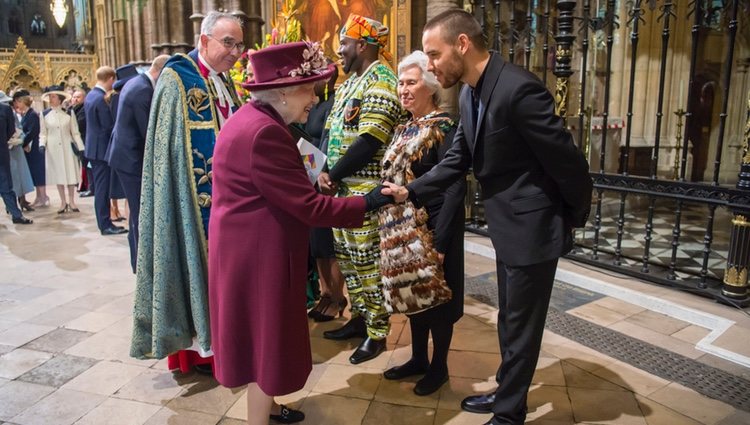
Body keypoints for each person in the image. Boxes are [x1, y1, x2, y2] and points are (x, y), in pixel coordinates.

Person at [382, 10, 593, 425]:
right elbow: (458, 158)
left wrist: (571, 219)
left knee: (521, 324)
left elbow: (568, 163)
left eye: (434, 54)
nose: (430, 64)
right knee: (508, 319)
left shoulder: (518, 89)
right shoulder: (469, 93)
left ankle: (510, 412)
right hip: (508, 227)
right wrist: (411, 190)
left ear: (462, 44)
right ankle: (506, 391)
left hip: (533, 228)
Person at [208, 40, 393, 425]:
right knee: (265, 342)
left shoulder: (254, 120)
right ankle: (260, 419)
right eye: (308, 89)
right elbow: (309, 208)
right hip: (260, 256)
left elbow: (281, 183)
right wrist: (369, 202)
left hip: (246, 249)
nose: (314, 98)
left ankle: (271, 407)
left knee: (263, 335)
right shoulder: (266, 133)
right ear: (284, 91)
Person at [130, 11, 243, 376]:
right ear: (204, 39)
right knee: (197, 268)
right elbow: (167, 157)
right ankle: (200, 353)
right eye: (228, 43)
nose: (235, 52)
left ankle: (225, 343)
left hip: (231, 203)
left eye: (239, 45)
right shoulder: (177, 79)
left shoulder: (225, 81)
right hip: (196, 204)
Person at [379, 50, 466, 396]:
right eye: (400, 82)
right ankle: (418, 358)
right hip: (402, 230)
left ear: (429, 86)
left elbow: (455, 186)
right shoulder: (405, 128)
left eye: (411, 82)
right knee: (413, 295)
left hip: (433, 230)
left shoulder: (444, 127)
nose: (403, 89)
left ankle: (440, 367)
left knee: (439, 303)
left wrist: (441, 244)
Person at [318, 14, 403, 364]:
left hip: (366, 192)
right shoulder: (349, 83)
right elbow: (334, 135)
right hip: (342, 192)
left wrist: (333, 175)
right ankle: (359, 318)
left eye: (344, 44)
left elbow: (369, 140)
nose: (339, 50)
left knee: (369, 266)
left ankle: (377, 332)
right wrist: (325, 170)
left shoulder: (381, 81)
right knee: (350, 265)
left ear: (362, 45)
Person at [108, 56, 170, 273]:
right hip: (131, 159)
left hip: (125, 155)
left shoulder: (137, 83)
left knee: (137, 212)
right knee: (140, 212)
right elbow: (149, 134)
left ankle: (139, 259)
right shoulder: (142, 91)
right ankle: (141, 265)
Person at [305, 62, 348, 322]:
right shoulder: (313, 104)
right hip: (311, 171)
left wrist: (325, 172)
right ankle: (324, 293)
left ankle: (337, 295)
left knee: (330, 243)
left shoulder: (336, 102)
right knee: (317, 241)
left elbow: (332, 139)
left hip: (327, 174)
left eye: (319, 78)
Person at [84, 66, 127, 235]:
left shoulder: (91, 96)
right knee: (102, 189)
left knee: (101, 187)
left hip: (94, 148)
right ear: (110, 79)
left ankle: (105, 221)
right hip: (101, 150)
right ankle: (105, 224)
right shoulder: (100, 99)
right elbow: (107, 126)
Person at [39, 86, 85, 214]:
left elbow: (75, 132)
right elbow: (43, 133)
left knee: (70, 173)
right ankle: (62, 201)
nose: (50, 99)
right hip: (53, 148)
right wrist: (42, 145)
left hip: (67, 146)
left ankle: (72, 201)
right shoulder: (44, 114)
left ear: (60, 99)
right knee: (58, 175)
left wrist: (81, 147)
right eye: (50, 96)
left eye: (53, 96)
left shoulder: (69, 113)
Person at [0, 92, 32, 225]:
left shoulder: (5, 109)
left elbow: (10, 131)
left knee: (6, 186)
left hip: (1, 154)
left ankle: (16, 215)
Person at [13, 90, 47, 208]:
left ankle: (43, 197)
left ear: (23, 102)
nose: (17, 105)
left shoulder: (32, 114)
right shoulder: (26, 114)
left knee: (38, 172)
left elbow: (32, 132)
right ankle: (39, 196)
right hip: (29, 147)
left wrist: (22, 142)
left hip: (35, 148)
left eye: (18, 102)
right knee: (35, 172)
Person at [70, 88, 93, 197]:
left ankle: (90, 187)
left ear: (84, 98)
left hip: (85, 140)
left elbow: (80, 124)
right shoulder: (73, 109)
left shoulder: (83, 109)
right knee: (83, 164)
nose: (75, 99)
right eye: (74, 97)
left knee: (87, 164)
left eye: (78, 97)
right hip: (78, 141)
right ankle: (85, 186)